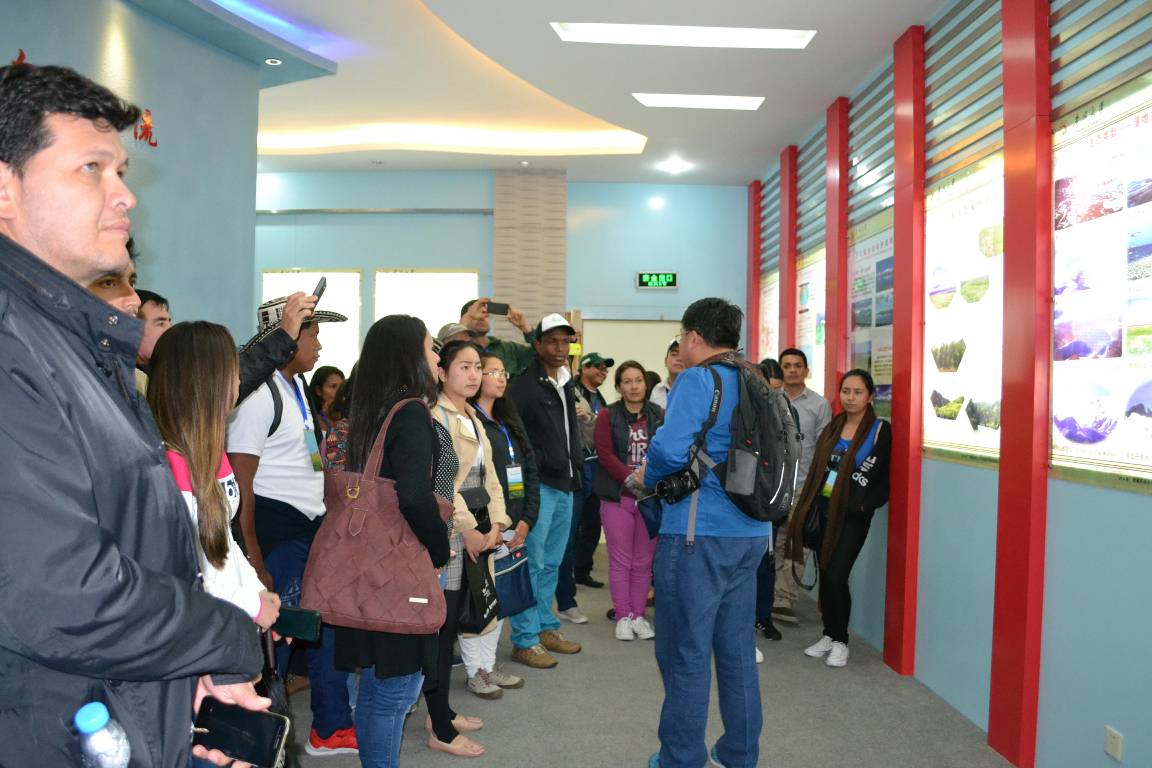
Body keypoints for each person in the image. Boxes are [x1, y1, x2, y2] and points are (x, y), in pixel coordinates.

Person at [0, 62, 263, 768]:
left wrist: (181, 679)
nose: (124, 195)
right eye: (91, 168)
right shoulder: (13, 344)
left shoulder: (75, 341)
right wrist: (226, 634)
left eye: (120, 170)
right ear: (5, 189)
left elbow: (132, 542)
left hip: (110, 711)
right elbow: (61, 596)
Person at [643, 298, 771, 768]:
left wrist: (647, 476)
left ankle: (681, 758)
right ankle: (739, 753)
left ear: (694, 336)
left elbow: (669, 451)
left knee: (686, 652)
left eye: (682, 336)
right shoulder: (754, 378)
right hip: (751, 533)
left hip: (698, 535)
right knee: (736, 652)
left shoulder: (698, 380)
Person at [227, 301, 357, 756]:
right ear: (283, 338)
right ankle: (260, 740)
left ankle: (331, 726)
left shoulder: (296, 386)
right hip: (276, 533)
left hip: (307, 528)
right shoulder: (258, 395)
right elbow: (240, 483)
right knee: (276, 643)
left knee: (319, 627)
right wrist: (255, 561)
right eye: (312, 335)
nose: (319, 345)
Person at [331, 315, 452, 768]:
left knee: (373, 689)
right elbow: (415, 496)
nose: (436, 355)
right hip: (399, 567)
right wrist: (438, 549)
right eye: (430, 346)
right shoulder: (411, 412)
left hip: (368, 566)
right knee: (394, 694)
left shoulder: (369, 410)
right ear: (409, 355)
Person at [148, 320, 281, 629]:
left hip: (227, 620)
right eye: (233, 372)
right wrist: (251, 605)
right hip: (199, 629)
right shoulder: (168, 466)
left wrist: (258, 593)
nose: (239, 381)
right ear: (209, 381)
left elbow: (222, 541)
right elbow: (190, 573)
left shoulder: (212, 451)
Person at [424, 339, 512, 756]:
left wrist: (497, 523)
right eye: (464, 366)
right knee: (444, 631)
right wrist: (470, 530)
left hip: (478, 530)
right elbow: (444, 484)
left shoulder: (473, 415)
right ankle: (438, 724)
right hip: (452, 534)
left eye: (478, 366)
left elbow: (490, 476)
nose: (474, 374)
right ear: (442, 372)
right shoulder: (434, 416)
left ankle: (440, 709)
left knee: (457, 624)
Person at [786, 369, 891, 668]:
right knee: (825, 572)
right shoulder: (835, 425)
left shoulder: (880, 430)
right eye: (846, 391)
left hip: (853, 515)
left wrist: (862, 505)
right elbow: (821, 468)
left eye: (858, 392)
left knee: (836, 575)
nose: (850, 398)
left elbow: (881, 476)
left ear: (870, 396)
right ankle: (829, 634)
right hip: (824, 510)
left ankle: (841, 640)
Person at [505, 312, 585, 668]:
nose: (559, 347)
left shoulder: (566, 380)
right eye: (552, 341)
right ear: (536, 344)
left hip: (566, 484)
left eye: (565, 341)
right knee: (533, 564)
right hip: (539, 487)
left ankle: (545, 626)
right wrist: (525, 484)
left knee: (552, 562)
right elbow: (514, 438)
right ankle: (524, 639)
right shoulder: (523, 386)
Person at [465, 351, 539, 696]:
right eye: (491, 371)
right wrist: (493, 524)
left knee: (502, 599)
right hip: (484, 524)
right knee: (480, 599)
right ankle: (475, 670)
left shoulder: (508, 419)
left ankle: (489, 665)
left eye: (502, 372)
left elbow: (529, 468)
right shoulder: (469, 419)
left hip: (513, 522)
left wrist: (527, 519)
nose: (500, 377)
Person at [593, 361, 663, 641]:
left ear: (646, 383)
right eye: (627, 381)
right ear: (619, 387)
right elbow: (605, 454)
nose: (634, 387)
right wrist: (633, 478)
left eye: (638, 380)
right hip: (617, 496)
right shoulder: (607, 415)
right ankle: (623, 616)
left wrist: (649, 476)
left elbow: (664, 450)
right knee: (621, 560)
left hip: (650, 498)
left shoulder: (659, 414)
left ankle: (639, 616)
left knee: (644, 562)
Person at [773, 347, 832, 628]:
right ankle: (770, 593)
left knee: (798, 543)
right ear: (781, 370)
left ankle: (784, 598)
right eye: (787, 365)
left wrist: (822, 489)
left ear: (806, 371)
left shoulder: (819, 405)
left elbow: (825, 449)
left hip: (804, 484)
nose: (792, 370)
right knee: (776, 542)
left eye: (797, 365)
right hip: (774, 485)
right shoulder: (771, 400)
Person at [555, 352, 614, 624]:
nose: (603, 371)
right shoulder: (570, 391)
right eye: (598, 367)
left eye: (605, 369)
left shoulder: (600, 399)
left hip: (596, 467)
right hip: (573, 469)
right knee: (567, 534)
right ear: (583, 368)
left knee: (593, 524)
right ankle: (566, 599)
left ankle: (582, 572)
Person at [754, 358, 787, 642]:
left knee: (768, 561)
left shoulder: (788, 413)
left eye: (778, 390)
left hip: (772, 499)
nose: (774, 396)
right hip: (745, 498)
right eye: (769, 390)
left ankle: (764, 616)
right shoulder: (744, 411)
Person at [458, 298, 538, 376]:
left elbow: (541, 354)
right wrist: (466, 320)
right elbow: (451, 348)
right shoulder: (460, 349)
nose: (481, 318)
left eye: (485, 314)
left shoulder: (510, 349)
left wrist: (526, 328)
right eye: (477, 314)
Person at [309, 364, 345, 438]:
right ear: (318, 390)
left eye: (342, 387)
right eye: (333, 386)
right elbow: (310, 444)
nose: (340, 391)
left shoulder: (347, 417)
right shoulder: (308, 421)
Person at [647, 338, 684, 408]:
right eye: (674, 354)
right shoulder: (657, 390)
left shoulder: (696, 390)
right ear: (665, 361)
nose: (679, 359)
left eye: (683, 355)